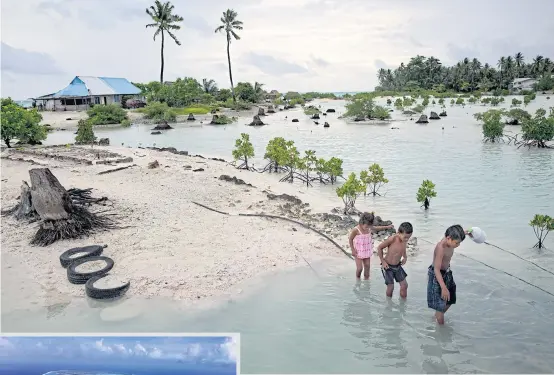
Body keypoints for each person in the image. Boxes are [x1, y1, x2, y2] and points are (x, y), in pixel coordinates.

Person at [427, 224, 467, 325]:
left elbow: (459, 233)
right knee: (441, 304)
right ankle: (440, 332)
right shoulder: (441, 247)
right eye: (457, 243)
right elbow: (436, 269)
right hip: (437, 275)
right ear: (448, 238)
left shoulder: (451, 238)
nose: (458, 245)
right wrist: (443, 288)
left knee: (451, 299)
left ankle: (436, 317)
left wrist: (467, 232)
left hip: (447, 273)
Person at [348, 212, 394, 280]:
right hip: (358, 251)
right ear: (361, 223)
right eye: (367, 226)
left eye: (369, 226)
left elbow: (377, 228)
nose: (368, 228)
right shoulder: (356, 230)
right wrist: (352, 250)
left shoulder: (369, 228)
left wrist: (387, 227)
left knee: (367, 266)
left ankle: (367, 280)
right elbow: (350, 239)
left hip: (367, 250)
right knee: (360, 268)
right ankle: (357, 279)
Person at [377, 222, 413, 298]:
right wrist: (383, 261)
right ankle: (388, 305)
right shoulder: (393, 239)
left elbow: (403, 248)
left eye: (408, 237)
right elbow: (379, 248)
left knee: (404, 285)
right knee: (391, 287)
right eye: (405, 237)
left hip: (397, 266)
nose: (407, 239)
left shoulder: (404, 241)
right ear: (398, 233)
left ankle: (403, 306)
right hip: (388, 266)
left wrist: (405, 257)